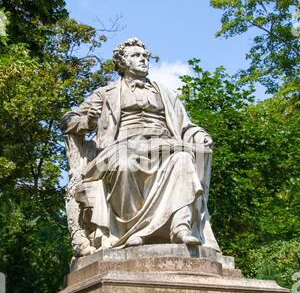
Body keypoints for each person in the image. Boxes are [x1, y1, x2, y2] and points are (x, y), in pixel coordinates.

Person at [61, 38, 220, 255]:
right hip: (122, 147)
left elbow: (186, 126)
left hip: (165, 144)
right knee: (124, 165)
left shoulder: (166, 93)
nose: (143, 59)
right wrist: (86, 121)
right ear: (122, 62)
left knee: (183, 159)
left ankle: (180, 227)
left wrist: (199, 135)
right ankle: (130, 232)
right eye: (136, 56)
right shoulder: (106, 93)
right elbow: (69, 120)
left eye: (145, 56)